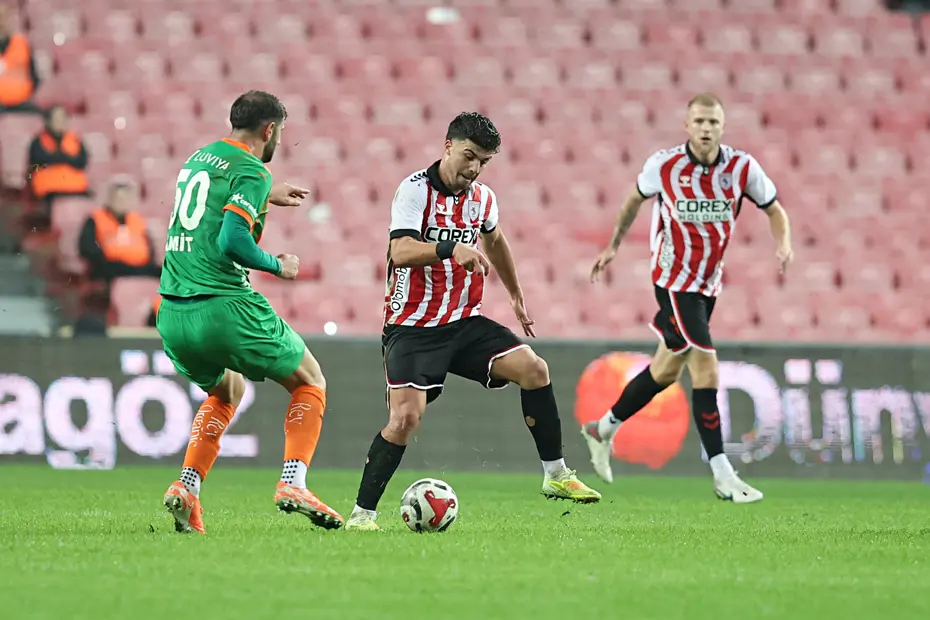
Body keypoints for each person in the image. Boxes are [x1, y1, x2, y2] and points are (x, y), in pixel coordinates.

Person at [343, 112, 601, 532]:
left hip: (464, 322)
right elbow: (401, 251)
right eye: (468, 156)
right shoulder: (414, 192)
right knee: (405, 420)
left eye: (483, 161)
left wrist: (515, 294)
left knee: (534, 369)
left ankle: (556, 475)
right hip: (412, 326)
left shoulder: (483, 198)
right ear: (447, 146)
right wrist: (450, 249)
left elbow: (495, 240)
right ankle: (362, 515)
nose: (474, 168)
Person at [581, 93, 794, 504]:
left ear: (722, 125)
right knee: (706, 369)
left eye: (713, 121)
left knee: (664, 371)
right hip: (673, 281)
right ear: (687, 125)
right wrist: (613, 246)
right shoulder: (665, 165)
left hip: (707, 285)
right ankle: (722, 474)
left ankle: (602, 428)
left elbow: (775, 209)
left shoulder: (741, 168)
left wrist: (783, 243)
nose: (706, 128)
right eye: (699, 121)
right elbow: (632, 201)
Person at [157, 90, 343, 534]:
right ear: (270, 129)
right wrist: (280, 265)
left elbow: (212, 203)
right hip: (223, 306)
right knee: (310, 381)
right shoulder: (252, 169)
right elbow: (231, 241)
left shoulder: (200, 158)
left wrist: (266, 193)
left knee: (226, 393)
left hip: (173, 312)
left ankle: (187, 486)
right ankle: (293, 482)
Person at [78, 177, 161, 282]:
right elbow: (87, 248)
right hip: (111, 270)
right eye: (118, 197)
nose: (121, 200)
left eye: (125, 197)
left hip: (140, 268)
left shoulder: (138, 220)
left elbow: (150, 251)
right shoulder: (95, 219)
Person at [28, 105, 90, 203]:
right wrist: (66, 159)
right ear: (48, 121)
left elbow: (82, 161)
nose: (60, 122)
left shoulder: (75, 140)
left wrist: (57, 158)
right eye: (56, 119)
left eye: (63, 118)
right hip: (48, 190)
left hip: (76, 188)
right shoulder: (38, 141)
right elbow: (37, 163)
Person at [0, 2, 42, 114]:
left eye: (4, 16)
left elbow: (35, 78)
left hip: (23, 104)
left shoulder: (23, 44)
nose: (1, 21)